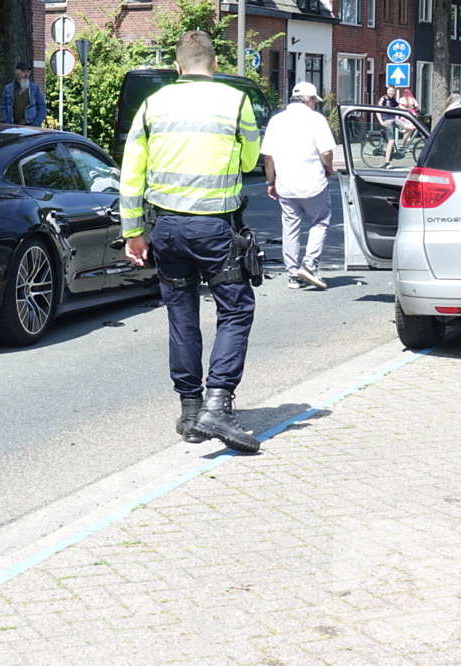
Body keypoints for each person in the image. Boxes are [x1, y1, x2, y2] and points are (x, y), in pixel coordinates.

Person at [119, 30, 260, 454]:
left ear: (177, 67)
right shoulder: (236, 101)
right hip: (214, 228)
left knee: (181, 315)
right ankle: (217, 403)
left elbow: (131, 173)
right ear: (214, 64)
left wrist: (133, 232)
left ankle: (190, 412)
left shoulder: (152, 104)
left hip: (165, 228)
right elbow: (250, 159)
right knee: (236, 309)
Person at [261, 82, 335, 291]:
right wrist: (328, 168)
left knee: (290, 227)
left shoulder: (277, 120)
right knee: (320, 221)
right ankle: (309, 264)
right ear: (309, 100)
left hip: (285, 184)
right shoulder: (316, 119)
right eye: (314, 101)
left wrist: (271, 182)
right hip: (312, 183)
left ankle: (293, 275)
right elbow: (326, 152)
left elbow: (268, 157)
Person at [0, 62, 46, 126]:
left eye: (28, 72)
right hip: (13, 125)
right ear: (17, 72)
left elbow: (42, 107)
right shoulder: (8, 89)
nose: (26, 74)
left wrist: (36, 124)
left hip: (30, 124)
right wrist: (7, 122)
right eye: (23, 71)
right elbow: (3, 107)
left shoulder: (34, 88)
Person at [377, 85, 411, 168]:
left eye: (393, 91)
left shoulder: (393, 99)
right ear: (387, 90)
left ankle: (402, 146)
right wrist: (381, 122)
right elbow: (377, 110)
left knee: (410, 127)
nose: (391, 92)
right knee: (391, 141)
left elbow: (399, 106)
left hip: (394, 120)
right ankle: (387, 163)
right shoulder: (383, 99)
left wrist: (409, 111)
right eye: (390, 90)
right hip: (387, 121)